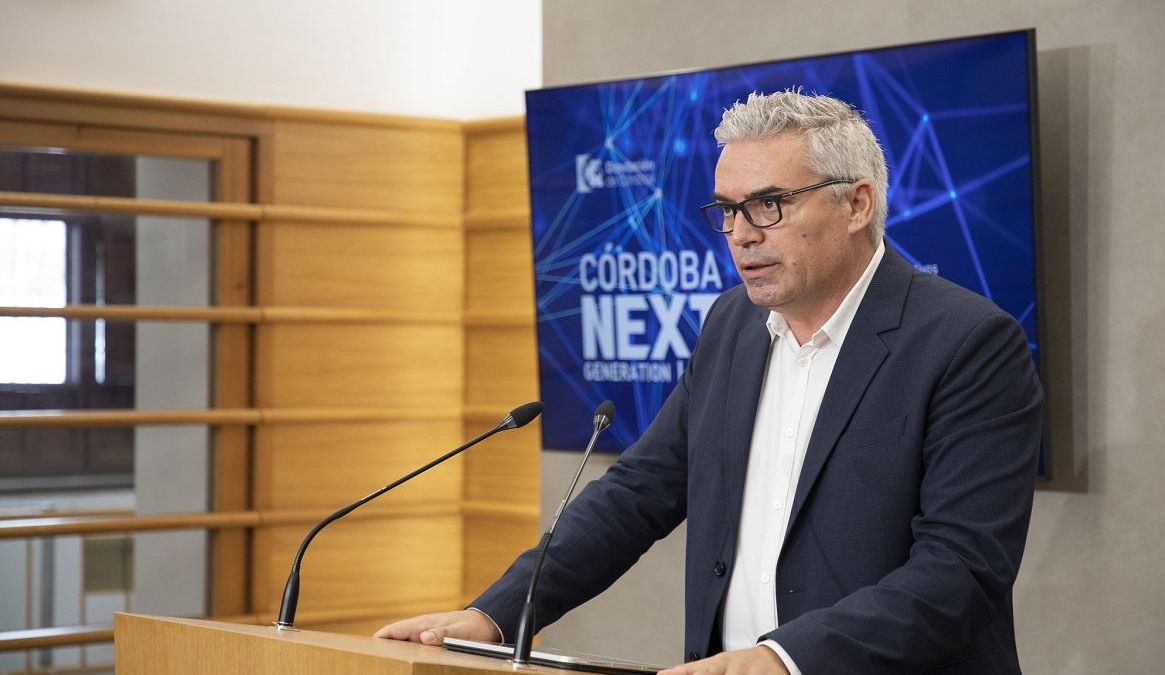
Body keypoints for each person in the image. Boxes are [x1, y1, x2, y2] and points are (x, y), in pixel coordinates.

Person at [376, 90, 1044, 675]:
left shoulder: (968, 342)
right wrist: (496, 614)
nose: (741, 234)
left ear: (856, 204)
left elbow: (961, 569)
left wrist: (787, 656)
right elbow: (639, 493)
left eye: (770, 204)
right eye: (726, 209)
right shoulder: (732, 325)